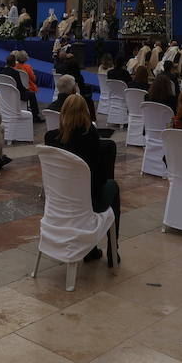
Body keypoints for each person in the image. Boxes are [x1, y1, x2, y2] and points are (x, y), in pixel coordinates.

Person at [45, 93, 120, 265]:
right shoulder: (90, 136)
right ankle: (112, 248)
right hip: (85, 202)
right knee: (113, 187)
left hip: (58, 200)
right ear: (85, 113)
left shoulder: (50, 138)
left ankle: (92, 249)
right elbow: (99, 179)